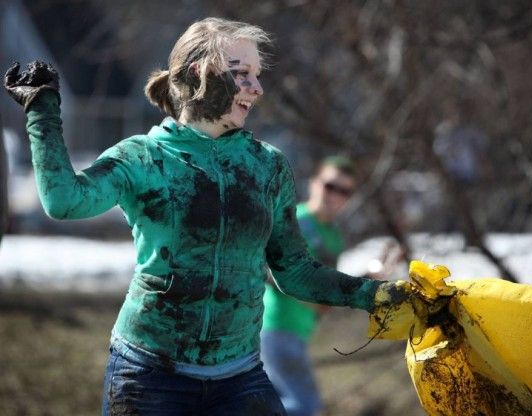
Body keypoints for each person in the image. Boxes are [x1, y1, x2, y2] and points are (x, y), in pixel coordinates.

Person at [4, 17, 427, 416]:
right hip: (149, 375)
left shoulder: (267, 166)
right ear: (197, 74)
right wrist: (43, 108)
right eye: (243, 73)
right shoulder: (144, 157)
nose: (257, 88)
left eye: (258, 75)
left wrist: (374, 296)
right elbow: (64, 200)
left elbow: (295, 271)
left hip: (240, 378)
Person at [261, 155, 357, 416]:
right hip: (275, 328)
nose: (335, 195)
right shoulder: (295, 222)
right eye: (330, 186)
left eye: (344, 191)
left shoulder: (334, 238)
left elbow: (327, 292)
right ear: (315, 184)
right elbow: (275, 274)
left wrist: (368, 279)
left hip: (299, 334)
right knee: (307, 409)